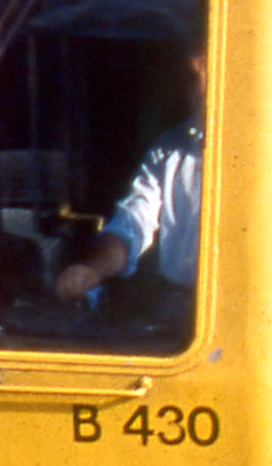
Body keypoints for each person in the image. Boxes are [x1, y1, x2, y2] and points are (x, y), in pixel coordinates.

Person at [48, 114, 202, 321]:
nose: (200, 88)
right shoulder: (170, 145)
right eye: (193, 81)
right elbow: (134, 222)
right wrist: (93, 270)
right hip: (177, 311)